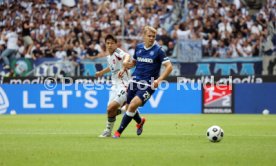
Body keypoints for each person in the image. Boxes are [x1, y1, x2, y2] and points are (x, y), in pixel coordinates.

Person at [113, 26, 173, 138]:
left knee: (133, 105)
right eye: (149, 36)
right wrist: (125, 67)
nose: (151, 38)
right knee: (128, 108)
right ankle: (140, 122)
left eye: (153, 37)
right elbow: (135, 63)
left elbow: (169, 67)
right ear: (144, 36)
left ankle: (118, 132)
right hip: (135, 81)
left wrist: (159, 80)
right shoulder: (139, 47)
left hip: (148, 84)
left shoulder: (158, 50)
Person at [95, 34, 132, 137]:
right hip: (114, 86)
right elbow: (110, 67)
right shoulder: (109, 57)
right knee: (110, 111)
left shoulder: (118, 52)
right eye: (108, 43)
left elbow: (127, 56)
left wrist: (125, 62)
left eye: (112, 43)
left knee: (111, 108)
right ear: (105, 45)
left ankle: (108, 130)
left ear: (116, 44)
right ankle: (128, 109)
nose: (110, 45)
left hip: (124, 84)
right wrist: (101, 72)